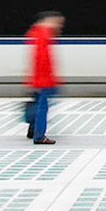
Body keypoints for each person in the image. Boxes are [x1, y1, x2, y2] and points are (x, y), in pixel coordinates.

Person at [23, 12, 64, 145]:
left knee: (38, 104)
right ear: (47, 20)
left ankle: (33, 128)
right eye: (57, 22)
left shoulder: (37, 33)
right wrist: (49, 79)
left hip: (39, 78)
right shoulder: (44, 34)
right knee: (42, 107)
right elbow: (43, 59)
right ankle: (39, 136)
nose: (59, 25)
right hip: (43, 79)